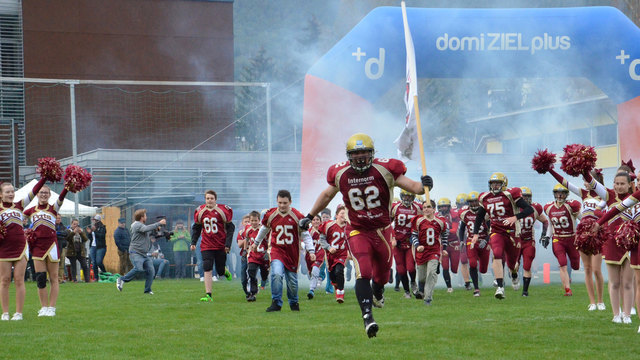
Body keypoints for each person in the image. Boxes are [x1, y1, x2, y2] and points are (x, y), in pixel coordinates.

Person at [300, 133, 432, 337]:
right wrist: (309, 215)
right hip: (357, 230)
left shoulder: (385, 169)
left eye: (364, 153)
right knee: (364, 271)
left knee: (382, 277)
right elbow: (327, 195)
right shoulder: (340, 172)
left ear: (372, 153)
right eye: (356, 153)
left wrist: (425, 185)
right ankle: (367, 317)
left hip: (382, 230)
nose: (360, 157)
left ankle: (378, 292)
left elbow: (413, 187)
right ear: (349, 155)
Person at [547, 168, 606, 310]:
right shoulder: (583, 193)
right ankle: (592, 302)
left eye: (587, 180)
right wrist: (549, 169)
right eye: (585, 180)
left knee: (597, 270)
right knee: (587, 269)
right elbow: (564, 183)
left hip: (597, 232)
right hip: (583, 233)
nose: (585, 183)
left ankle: (600, 301)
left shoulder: (604, 193)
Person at [471, 172, 534, 300]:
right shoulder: (485, 197)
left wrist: (515, 217)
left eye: (497, 183)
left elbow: (529, 209)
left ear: (503, 184)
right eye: (493, 183)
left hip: (512, 232)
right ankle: (500, 286)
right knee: (497, 254)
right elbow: (479, 216)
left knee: (512, 264)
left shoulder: (511, 194)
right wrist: (476, 233)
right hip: (496, 230)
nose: (495, 186)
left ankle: (514, 275)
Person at [585, 169, 636, 324]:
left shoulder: (634, 198)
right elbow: (593, 183)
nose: (619, 187)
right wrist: (583, 170)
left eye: (622, 184)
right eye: (616, 183)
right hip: (611, 243)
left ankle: (627, 314)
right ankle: (616, 314)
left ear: (629, 185)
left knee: (627, 282)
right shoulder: (608, 196)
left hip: (630, 243)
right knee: (614, 282)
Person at [252, 189, 315, 312]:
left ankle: (294, 302)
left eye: (285, 203)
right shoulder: (271, 215)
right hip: (277, 250)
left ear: (290, 202)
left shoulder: (298, 216)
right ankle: (276, 302)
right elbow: (264, 229)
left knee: (292, 280)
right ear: (277, 201)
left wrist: (311, 250)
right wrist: (256, 243)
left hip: (292, 252)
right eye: (280, 202)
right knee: (276, 273)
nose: (282, 205)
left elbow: (306, 235)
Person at [0, 177, 47, 321]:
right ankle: (5, 312)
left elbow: (34, 192)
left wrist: (45, 177)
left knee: (20, 279)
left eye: (12, 191)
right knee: (4, 280)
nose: (11, 194)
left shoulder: (19, 205)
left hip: (20, 247)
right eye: (7, 192)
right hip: (3, 249)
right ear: (1, 194)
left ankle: (18, 313)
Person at [24, 185, 68, 317]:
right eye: (41, 192)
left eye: (46, 193)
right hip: (37, 246)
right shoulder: (31, 210)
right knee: (40, 278)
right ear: (37, 194)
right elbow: (17, 215)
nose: (43, 195)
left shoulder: (54, 208)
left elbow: (61, 197)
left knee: (54, 277)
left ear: (49, 195)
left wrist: (67, 187)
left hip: (51, 246)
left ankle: (52, 308)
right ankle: (43, 307)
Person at [190, 190, 234, 302]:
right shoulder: (201, 211)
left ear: (215, 199)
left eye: (211, 198)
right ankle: (208, 295)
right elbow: (196, 228)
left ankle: (224, 271)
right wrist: (193, 242)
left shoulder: (222, 210)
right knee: (207, 266)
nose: (209, 200)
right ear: (205, 199)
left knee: (220, 271)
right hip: (206, 244)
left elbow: (231, 227)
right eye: (207, 198)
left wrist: (227, 244)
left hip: (220, 244)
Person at [543, 184, 581, 296]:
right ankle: (567, 289)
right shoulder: (549, 207)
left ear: (566, 194)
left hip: (572, 238)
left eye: (562, 193)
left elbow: (583, 219)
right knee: (562, 264)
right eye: (557, 193)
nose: (559, 195)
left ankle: (569, 279)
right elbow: (550, 225)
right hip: (558, 239)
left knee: (575, 266)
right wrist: (547, 236)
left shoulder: (571, 206)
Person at [116, 209, 166, 294]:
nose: (146, 217)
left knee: (151, 271)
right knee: (138, 269)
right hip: (135, 252)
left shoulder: (142, 226)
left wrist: (160, 231)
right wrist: (159, 223)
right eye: (145, 215)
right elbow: (146, 229)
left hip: (144, 254)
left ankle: (147, 290)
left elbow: (149, 232)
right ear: (141, 217)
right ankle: (121, 279)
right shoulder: (136, 225)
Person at [411, 200, 448, 306]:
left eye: (428, 207)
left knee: (431, 273)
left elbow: (444, 234)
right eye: (424, 207)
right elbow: (413, 235)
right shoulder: (418, 221)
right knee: (422, 277)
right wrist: (418, 246)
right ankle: (421, 290)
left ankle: (428, 298)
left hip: (434, 251)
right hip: (421, 252)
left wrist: (444, 248)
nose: (426, 209)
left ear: (434, 209)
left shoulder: (440, 222)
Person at [517, 187, 548, 297]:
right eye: (524, 197)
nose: (526, 199)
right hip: (516, 241)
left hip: (529, 241)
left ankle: (525, 291)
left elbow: (545, 221)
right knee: (514, 266)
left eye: (528, 197)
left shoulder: (535, 208)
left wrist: (544, 235)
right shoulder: (513, 208)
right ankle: (515, 277)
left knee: (527, 266)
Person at [458, 191, 491, 296]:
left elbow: (492, 229)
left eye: (476, 202)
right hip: (471, 241)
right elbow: (462, 228)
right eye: (471, 202)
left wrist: (486, 240)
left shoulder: (485, 213)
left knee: (483, 269)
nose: (474, 204)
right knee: (472, 263)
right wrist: (462, 241)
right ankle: (476, 289)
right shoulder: (465, 213)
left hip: (483, 241)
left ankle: (479, 277)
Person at [390, 190, 421, 298]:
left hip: (410, 241)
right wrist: (393, 237)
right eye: (405, 196)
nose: (407, 199)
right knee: (401, 269)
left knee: (411, 268)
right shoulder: (395, 207)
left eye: (409, 197)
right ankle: (407, 291)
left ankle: (413, 282)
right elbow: (387, 223)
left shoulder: (417, 208)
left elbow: (421, 224)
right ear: (402, 196)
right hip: (397, 242)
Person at [319, 205, 349, 303]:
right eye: (342, 213)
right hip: (330, 255)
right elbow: (322, 239)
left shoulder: (349, 227)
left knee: (339, 270)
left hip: (342, 254)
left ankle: (340, 293)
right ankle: (336, 285)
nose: (344, 216)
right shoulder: (328, 225)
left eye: (346, 214)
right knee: (333, 275)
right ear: (336, 215)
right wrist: (328, 247)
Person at [437, 197, 462, 293]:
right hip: (444, 244)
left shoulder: (453, 215)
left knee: (454, 269)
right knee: (445, 266)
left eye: (445, 206)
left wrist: (441, 231)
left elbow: (454, 230)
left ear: (449, 207)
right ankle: (449, 287)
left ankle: (453, 279)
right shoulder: (436, 216)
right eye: (441, 207)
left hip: (454, 242)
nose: (443, 209)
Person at [245, 211, 269, 302]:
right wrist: (245, 250)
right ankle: (253, 292)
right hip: (253, 255)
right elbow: (246, 239)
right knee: (251, 271)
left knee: (264, 275)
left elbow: (269, 241)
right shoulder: (248, 230)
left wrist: (268, 251)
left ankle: (264, 279)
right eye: (252, 220)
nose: (254, 222)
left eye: (256, 220)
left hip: (263, 256)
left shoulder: (264, 230)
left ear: (259, 220)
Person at [305, 215, 325, 299]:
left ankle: (311, 290)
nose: (316, 221)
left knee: (315, 270)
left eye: (317, 219)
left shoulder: (324, 231)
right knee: (311, 272)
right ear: (311, 222)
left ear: (320, 221)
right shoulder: (308, 232)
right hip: (309, 255)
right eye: (313, 220)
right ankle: (315, 281)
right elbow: (304, 242)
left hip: (320, 254)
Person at [235, 215, 251, 298]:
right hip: (244, 256)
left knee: (252, 274)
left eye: (249, 221)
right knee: (243, 277)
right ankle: (247, 292)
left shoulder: (257, 231)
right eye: (246, 222)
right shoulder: (241, 232)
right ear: (242, 223)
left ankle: (252, 292)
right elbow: (239, 244)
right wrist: (247, 239)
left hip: (254, 256)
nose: (248, 223)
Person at [55, 215, 68, 283]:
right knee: (54, 263)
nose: (58, 219)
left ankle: (60, 279)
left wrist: (58, 234)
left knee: (61, 263)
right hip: (54, 247)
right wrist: (60, 234)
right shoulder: (52, 226)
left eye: (59, 218)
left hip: (62, 247)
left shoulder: (63, 227)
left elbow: (66, 233)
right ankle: (53, 278)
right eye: (57, 218)